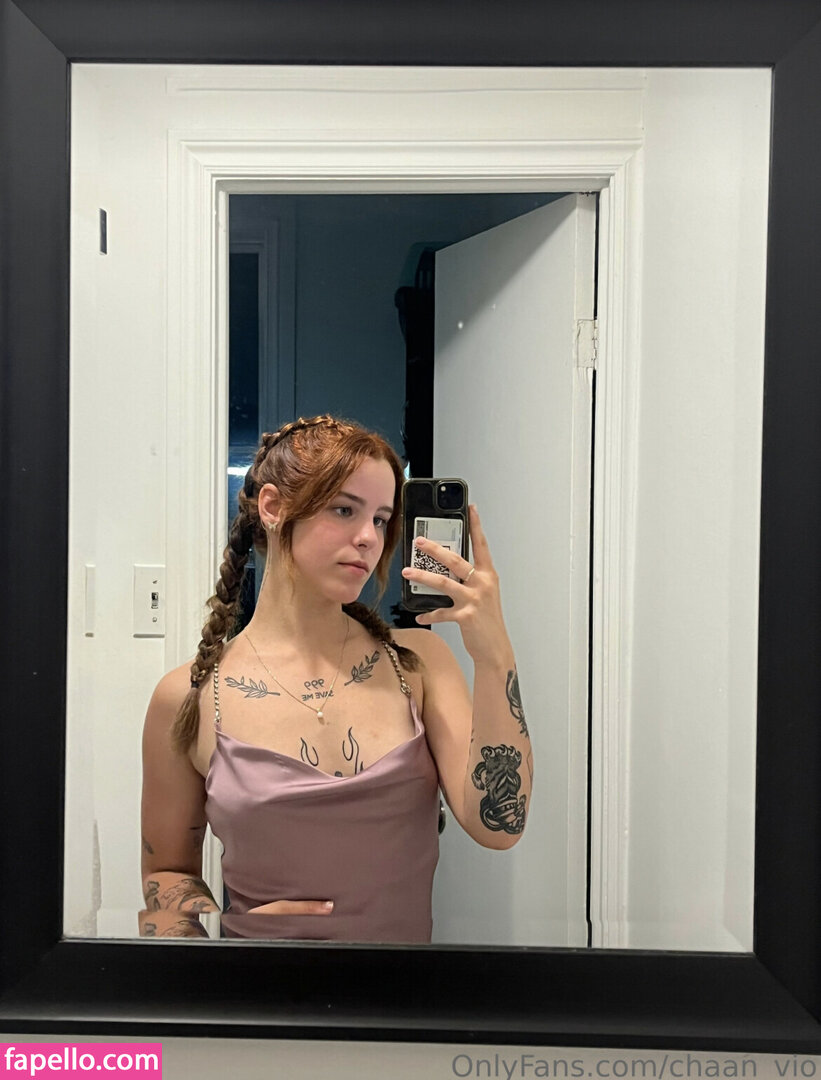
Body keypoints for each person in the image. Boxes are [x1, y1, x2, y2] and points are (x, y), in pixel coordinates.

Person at [140, 414, 532, 942]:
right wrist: (215, 944)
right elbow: (166, 874)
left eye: (381, 519)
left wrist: (494, 652)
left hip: (403, 990)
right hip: (253, 988)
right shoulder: (190, 695)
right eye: (345, 510)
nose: (369, 538)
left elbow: (500, 826)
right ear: (273, 507)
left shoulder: (417, 664)